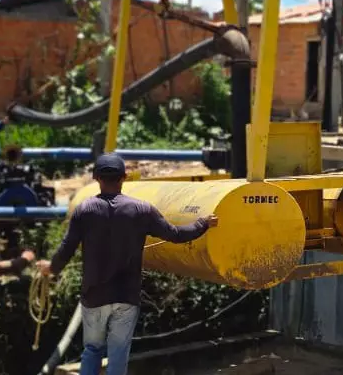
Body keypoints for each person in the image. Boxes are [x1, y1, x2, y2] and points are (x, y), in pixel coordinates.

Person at [38, 154, 219, 375]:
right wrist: (203, 223)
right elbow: (176, 235)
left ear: (96, 177)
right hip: (126, 296)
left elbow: (66, 249)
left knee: (92, 349)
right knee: (118, 355)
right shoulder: (142, 210)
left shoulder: (84, 210)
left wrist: (51, 268)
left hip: (94, 296)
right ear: (124, 177)